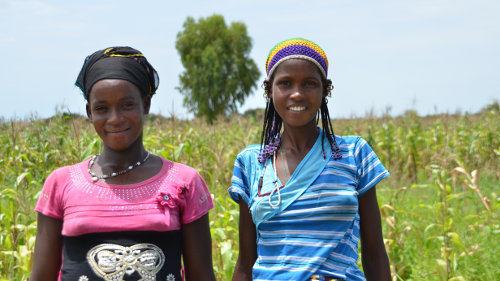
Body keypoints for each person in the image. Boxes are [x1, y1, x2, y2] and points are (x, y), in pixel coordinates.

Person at [30, 46, 216, 281]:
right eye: (101, 108)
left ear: (146, 105)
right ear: (89, 112)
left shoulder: (183, 181)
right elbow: (41, 276)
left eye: (127, 105)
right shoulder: (61, 183)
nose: (115, 118)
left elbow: (202, 276)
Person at [229, 38, 391, 281]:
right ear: (269, 90)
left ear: (325, 90)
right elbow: (245, 263)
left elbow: (374, 253)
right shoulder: (251, 162)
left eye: (309, 84)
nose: (297, 93)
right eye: (285, 83)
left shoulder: (354, 153)